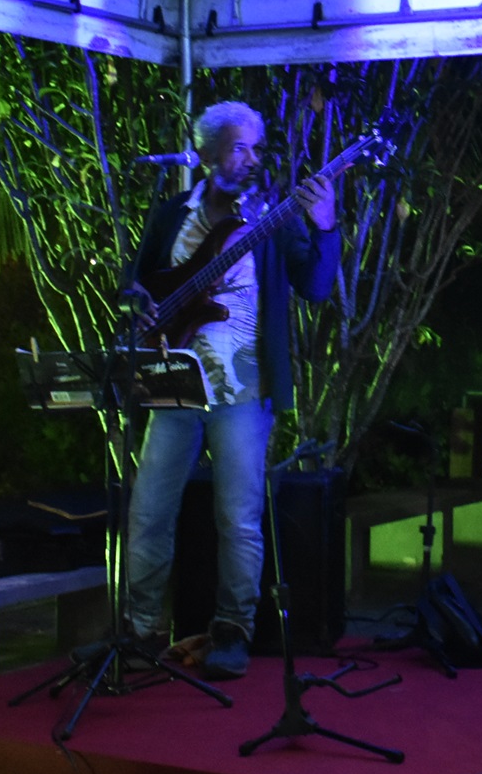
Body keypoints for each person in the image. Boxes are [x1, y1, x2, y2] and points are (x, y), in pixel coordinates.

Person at [121, 100, 338, 679]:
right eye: (239, 147)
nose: (251, 158)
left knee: (237, 518)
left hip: (242, 388)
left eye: (256, 148)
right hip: (172, 381)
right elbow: (137, 283)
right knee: (148, 512)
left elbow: (316, 287)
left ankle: (232, 630)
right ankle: (141, 630)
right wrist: (139, 305)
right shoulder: (173, 213)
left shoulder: (272, 216)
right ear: (208, 153)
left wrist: (325, 225)